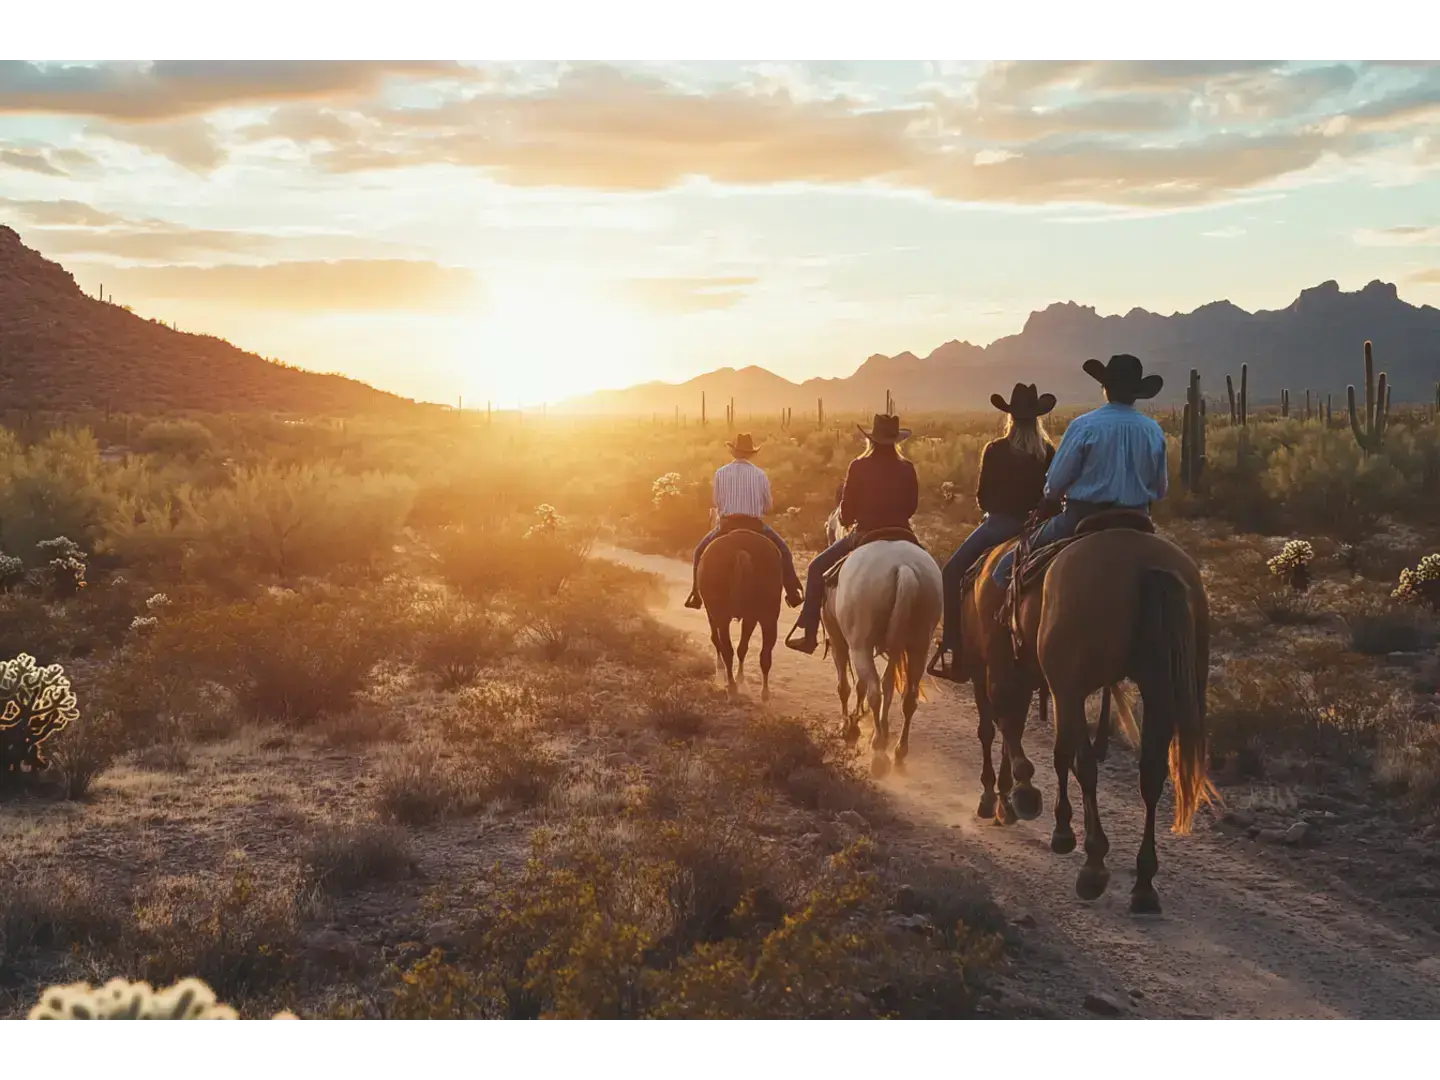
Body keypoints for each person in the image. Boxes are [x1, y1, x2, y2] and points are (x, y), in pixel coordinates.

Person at [991, 354, 1168, 585]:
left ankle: (1007, 618)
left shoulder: (1085, 426)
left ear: (1105, 388)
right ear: (1137, 393)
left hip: (1083, 517)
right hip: (1138, 517)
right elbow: (1161, 488)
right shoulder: (1153, 429)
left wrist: (1051, 499)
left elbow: (1055, 482)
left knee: (1003, 570)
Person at [932, 382, 1057, 680]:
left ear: (1010, 418)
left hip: (1000, 524)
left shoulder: (995, 449)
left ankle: (954, 646)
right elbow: (1052, 495)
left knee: (952, 572)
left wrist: (994, 510)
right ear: (1037, 419)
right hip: (1038, 531)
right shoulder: (1048, 452)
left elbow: (982, 496)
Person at [786, 413, 918, 655]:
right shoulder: (907, 468)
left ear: (871, 440)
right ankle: (936, 636)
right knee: (937, 573)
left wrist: (848, 520)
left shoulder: (858, 466)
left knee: (816, 568)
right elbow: (912, 506)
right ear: (897, 441)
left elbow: (846, 511)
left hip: (866, 532)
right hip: (903, 533)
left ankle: (809, 634)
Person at [685, 432, 804, 610]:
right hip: (754, 526)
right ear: (751, 453)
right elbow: (767, 505)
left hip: (727, 526)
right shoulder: (760, 475)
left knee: (699, 552)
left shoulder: (720, 473)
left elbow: (717, 502)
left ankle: (696, 593)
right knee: (784, 551)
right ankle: (792, 592)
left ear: (733, 452)